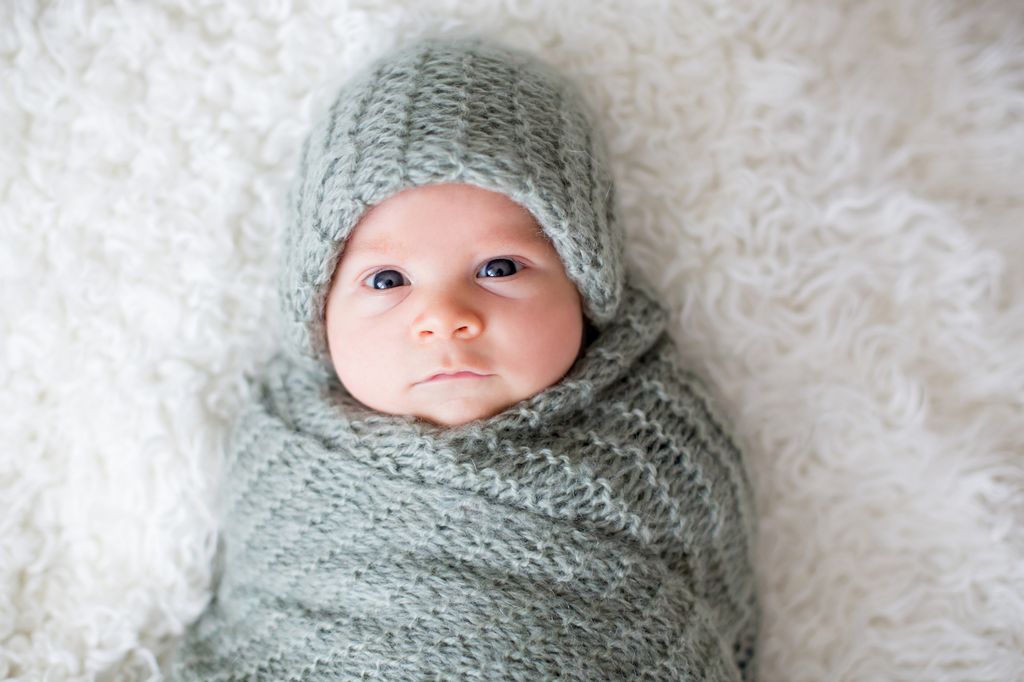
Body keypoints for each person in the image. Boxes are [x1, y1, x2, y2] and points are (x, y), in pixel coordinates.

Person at [168, 33, 759, 681]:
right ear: (316, 311)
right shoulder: (281, 452)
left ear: (585, 285)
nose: (445, 317)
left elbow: (719, 620)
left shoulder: (662, 445)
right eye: (388, 281)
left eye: (499, 267)